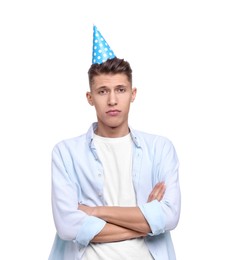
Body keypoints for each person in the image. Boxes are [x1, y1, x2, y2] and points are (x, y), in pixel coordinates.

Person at [48, 25, 181, 260]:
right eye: (102, 91)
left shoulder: (160, 149)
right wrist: (146, 220)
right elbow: (68, 227)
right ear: (90, 98)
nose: (112, 100)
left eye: (120, 89)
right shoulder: (66, 153)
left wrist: (95, 212)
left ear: (133, 93)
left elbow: (169, 217)